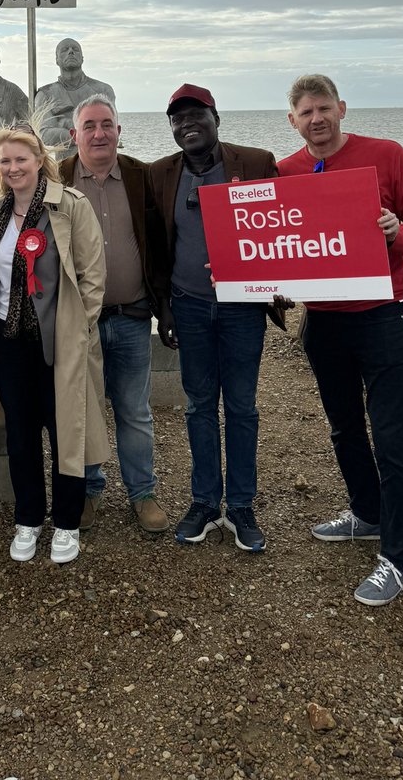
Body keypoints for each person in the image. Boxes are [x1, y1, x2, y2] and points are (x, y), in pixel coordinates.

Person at [278, 74, 403, 605]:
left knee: (394, 441)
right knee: (344, 428)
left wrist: (400, 234)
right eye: (306, 112)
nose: (316, 119)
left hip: (383, 316)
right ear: (293, 120)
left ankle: (396, 560)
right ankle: (367, 513)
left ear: (341, 109)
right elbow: (279, 243)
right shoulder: (285, 172)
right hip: (323, 322)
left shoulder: (387, 156)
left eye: (324, 108)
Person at [0, 121, 109, 565]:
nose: (12, 168)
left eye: (20, 159)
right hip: (9, 345)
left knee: (67, 432)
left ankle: (66, 523)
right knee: (21, 435)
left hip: (59, 344)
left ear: (39, 161)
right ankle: (28, 517)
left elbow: (93, 277)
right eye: (4, 161)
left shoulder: (70, 206)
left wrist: (77, 331)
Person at [150, 84, 283, 553]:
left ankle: (241, 505)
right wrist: (163, 308)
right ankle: (205, 501)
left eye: (195, 116)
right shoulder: (160, 174)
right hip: (187, 305)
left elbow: (288, 225)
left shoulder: (257, 162)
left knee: (242, 406)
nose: (186, 125)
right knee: (199, 405)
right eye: (177, 119)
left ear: (216, 118)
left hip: (243, 307)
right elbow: (156, 249)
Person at [59, 95, 170, 534]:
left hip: (132, 317)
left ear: (119, 131)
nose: (99, 133)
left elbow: (163, 241)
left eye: (107, 124)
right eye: (90, 126)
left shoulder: (144, 177)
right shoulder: (59, 177)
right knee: (82, 411)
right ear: (75, 135)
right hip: (77, 321)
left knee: (134, 411)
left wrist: (168, 308)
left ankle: (142, 493)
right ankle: (88, 490)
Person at [33, 38, 116, 157]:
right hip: (65, 168)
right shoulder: (46, 94)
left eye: (75, 49)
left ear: (82, 58)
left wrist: (64, 124)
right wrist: (86, 131)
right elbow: (46, 135)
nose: (71, 52)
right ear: (57, 60)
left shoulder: (104, 90)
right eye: (65, 50)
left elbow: (110, 131)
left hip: (101, 163)